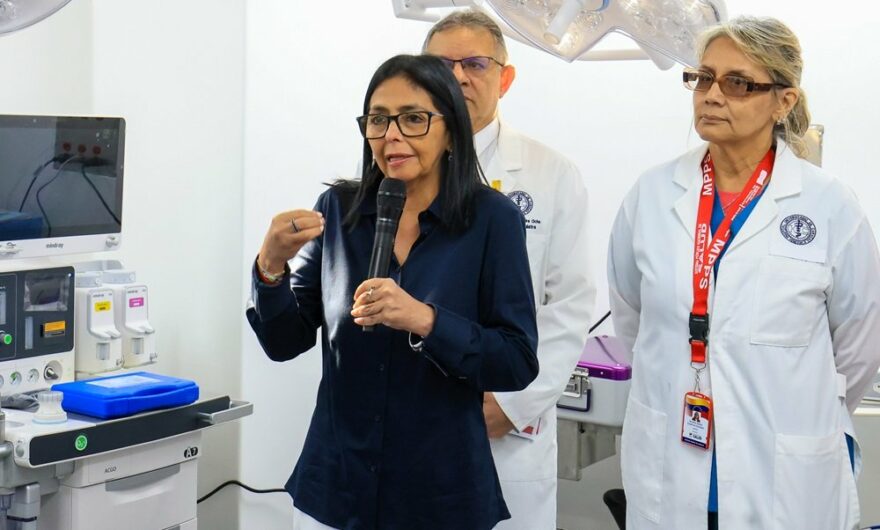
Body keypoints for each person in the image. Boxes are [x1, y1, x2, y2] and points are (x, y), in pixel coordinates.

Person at [608, 16, 880, 530]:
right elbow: (632, 317)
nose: (712, 95)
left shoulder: (829, 206)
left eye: (737, 83)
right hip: (672, 459)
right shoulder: (652, 194)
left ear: (783, 101)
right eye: (703, 78)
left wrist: (796, 394)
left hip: (782, 469)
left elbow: (860, 345)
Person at [247, 54, 539, 530]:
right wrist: (270, 266)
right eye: (378, 120)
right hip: (338, 488)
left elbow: (516, 360)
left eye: (414, 119)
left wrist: (426, 320)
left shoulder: (493, 220)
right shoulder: (339, 209)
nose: (391, 136)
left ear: (451, 131)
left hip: (440, 494)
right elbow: (284, 342)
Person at [423, 11, 595, 529]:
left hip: (506, 421)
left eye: (475, 64)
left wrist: (513, 403)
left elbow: (569, 305)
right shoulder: (396, 165)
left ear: (506, 78)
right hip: (417, 410)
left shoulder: (550, 174)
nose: (458, 77)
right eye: (442, 65)